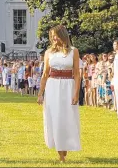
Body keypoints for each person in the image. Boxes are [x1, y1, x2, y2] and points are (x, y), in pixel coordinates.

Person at [37, 25, 81, 163]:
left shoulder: (74, 51)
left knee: (67, 118)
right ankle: (60, 153)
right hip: (53, 86)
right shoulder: (49, 52)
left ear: (62, 35)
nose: (54, 38)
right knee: (54, 118)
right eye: (52, 36)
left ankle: (65, 146)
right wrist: (40, 93)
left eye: (55, 35)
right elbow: (45, 74)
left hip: (68, 85)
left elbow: (77, 74)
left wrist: (76, 93)